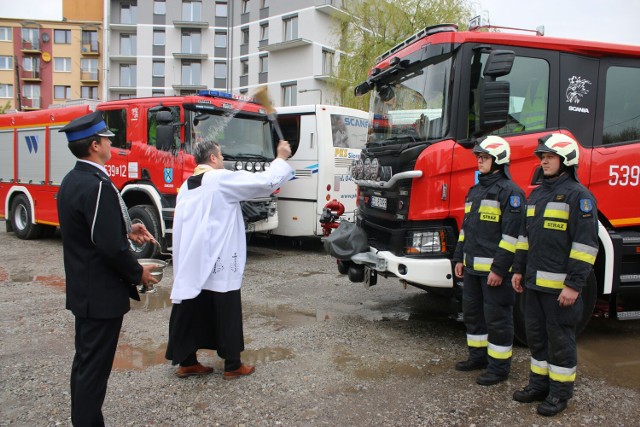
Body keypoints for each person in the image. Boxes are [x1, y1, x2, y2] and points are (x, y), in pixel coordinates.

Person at [57, 111, 158, 426]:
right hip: (100, 297)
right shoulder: (97, 184)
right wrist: (136, 272)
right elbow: (109, 247)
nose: (110, 143)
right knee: (94, 371)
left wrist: (128, 229)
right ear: (94, 145)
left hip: (85, 292)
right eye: (106, 139)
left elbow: (94, 231)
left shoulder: (74, 179)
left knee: (85, 364)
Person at [165, 138, 293, 380]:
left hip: (193, 258)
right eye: (221, 155)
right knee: (225, 308)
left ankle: (187, 361)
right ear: (212, 158)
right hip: (220, 258)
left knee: (191, 305)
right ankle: (233, 365)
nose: (223, 159)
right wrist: (281, 159)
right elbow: (263, 182)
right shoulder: (218, 179)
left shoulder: (187, 186)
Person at [511, 133, 599, 417]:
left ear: (567, 160)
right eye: (542, 157)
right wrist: (519, 270)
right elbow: (525, 237)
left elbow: (585, 247)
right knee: (536, 337)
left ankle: (560, 394)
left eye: (549, 156)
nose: (543, 161)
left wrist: (574, 285)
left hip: (561, 289)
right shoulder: (536, 194)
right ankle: (539, 385)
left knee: (560, 340)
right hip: (534, 285)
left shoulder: (580, 197)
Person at [452, 135, 526, 386]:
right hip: (472, 269)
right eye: (478, 157)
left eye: (484, 157)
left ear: (499, 160)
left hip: (495, 274)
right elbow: (466, 229)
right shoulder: (476, 191)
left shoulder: (511, 193)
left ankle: (499, 368)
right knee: (473, 315)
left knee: (498, 319)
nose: (479, 161)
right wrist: (459, 257)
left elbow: (511, 238)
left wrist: (499, 269)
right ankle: (478, 357)